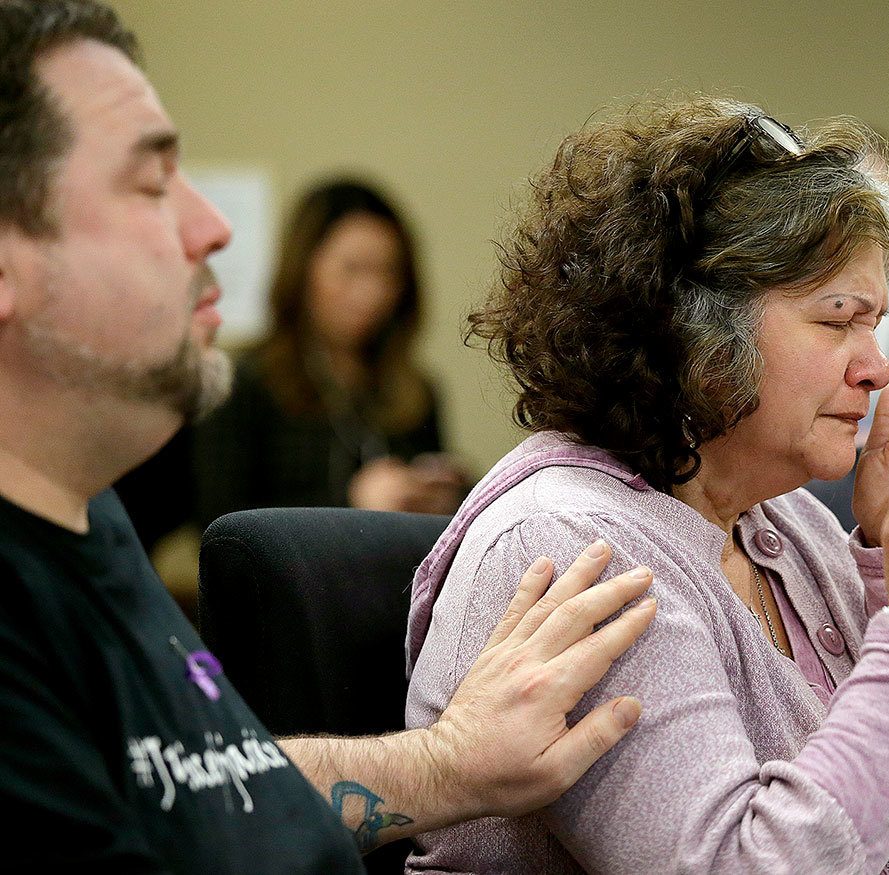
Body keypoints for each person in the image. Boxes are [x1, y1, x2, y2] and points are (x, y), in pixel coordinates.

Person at [0, 1, 656, 870]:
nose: (212, 226)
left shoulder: (84, 514)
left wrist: (451, 762)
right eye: (152, 185)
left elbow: (203, 775)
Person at [404, 97, 889, 873]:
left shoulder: (790, 526)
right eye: (838, 320)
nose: (875, 366)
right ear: (698, 332)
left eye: (875, 321)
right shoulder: (572, 544)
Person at [193, 178, 467, 528]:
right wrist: (350, 504)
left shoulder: (415, 390)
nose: (373, 293)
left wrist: (447, 496)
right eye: (351, 269)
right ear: (304, 270)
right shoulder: (243, 384)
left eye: (389, 272)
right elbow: (220, 526)